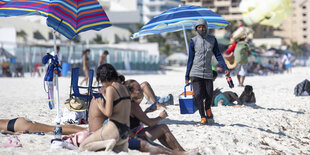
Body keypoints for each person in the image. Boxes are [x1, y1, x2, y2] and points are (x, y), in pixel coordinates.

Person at [185, 18, 230, 125]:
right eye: (199, 27)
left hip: (208, 73)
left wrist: (225, 68)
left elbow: (218, 55)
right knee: (198, 95)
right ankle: (203, 116)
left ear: (206, 28)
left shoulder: (212, 40)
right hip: (195, 72)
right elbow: (190, 60)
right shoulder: (193, 41)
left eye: (203, 27)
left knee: (209, 95)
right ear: (196, 28)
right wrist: (186, 76)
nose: (201, 29)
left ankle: (208, 109)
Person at [80, 63, 131, 152]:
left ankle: (107, 143)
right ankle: (113, 144)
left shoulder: (111, 89)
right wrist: (105, 95)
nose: (102, 84)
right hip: (126, 131)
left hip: (115, 129)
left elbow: (108, 113)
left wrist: (100, 104)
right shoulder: (124, 88)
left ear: (104, 78)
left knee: (83, 146)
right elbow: (119, 104)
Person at [124, 79, 185, 151]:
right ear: (130, 92)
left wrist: (146, 112)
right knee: (163, 127)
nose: (142, 91)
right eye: (139, 90)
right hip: (133, 139)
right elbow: (150, 123)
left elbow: (133, 119)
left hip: (128, 137)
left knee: (159, 128)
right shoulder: (133, 105)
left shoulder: (126, 102)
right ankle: (182, 152)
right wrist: (161, 117)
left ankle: (178, 151)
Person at [0, 117, 86, 135]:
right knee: (53, 128)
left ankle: (86, 130)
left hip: (17, 126)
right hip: (16, 122)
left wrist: (14, 134)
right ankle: (85, 129)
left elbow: (2, 131)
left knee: (53, 129)